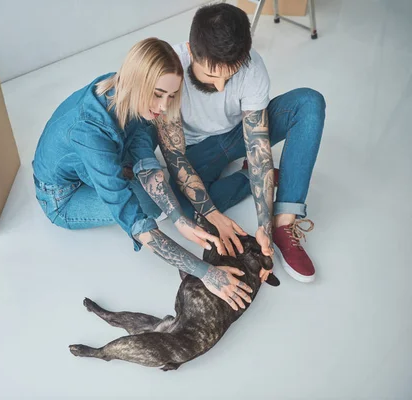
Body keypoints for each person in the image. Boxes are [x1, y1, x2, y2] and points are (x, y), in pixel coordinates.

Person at [32, 37, 254, 310]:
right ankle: (247, 180)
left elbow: (141, 146)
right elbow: (133, 219)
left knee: (163, 187)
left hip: (103, 160)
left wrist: (179, 220)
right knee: (146, 206)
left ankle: (232, 185)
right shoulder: (89, 132)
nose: (163, 106)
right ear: (136, 79)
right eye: (158, 94)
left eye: (170, 96)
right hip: (63, 196)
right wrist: (206, 272)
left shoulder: (124, 91)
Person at [156, 4, 325, 283]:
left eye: (229, 77)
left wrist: (264, 224)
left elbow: (257, 143)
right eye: (211, 76)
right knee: (178, 210)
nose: (221, 87)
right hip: (198, 152)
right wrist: (211, 212)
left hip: (239, 135)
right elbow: (174, 156)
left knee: (309, 102)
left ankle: (285, 220)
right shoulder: (171, 67)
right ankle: (249, 178)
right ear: (191, 50)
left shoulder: (252, 65)